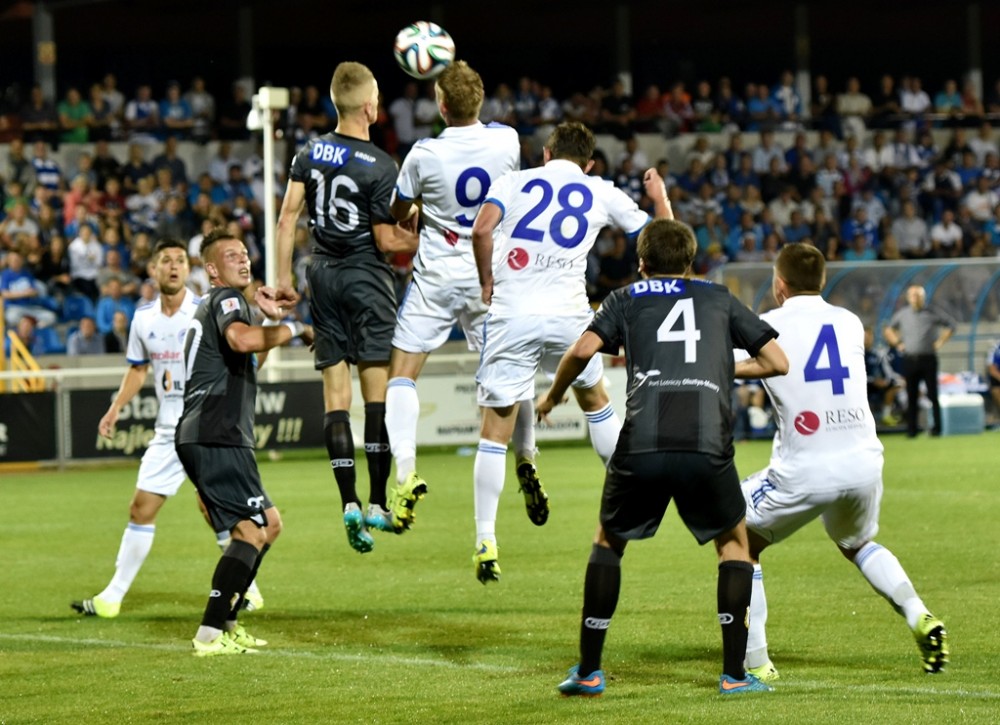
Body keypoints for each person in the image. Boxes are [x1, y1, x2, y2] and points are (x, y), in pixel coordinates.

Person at [536, 218, 788, 696]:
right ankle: (734, 676)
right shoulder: (719, 297)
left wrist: (552, 396)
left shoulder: (625, 298)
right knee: (734, 546)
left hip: (644, 441)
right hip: (705, 441)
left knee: (608, 543)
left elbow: (582, 351)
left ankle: (589, 670)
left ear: (641, 263)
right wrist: (721, 366)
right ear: (691, 262)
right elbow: (778, 362)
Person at [468, 121, 670, 584]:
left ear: (546, 153)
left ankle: (485, 538)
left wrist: (486, 281)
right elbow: (659, 238)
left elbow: (481, 230)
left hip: (513, 313)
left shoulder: (514, 182)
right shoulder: (600, 189)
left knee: (493, 431)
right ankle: (630, 500)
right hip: (570, 316)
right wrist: (659, 198)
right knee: (596, 403)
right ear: (589, 163)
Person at [739, 245, 949, 683]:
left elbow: (740, 364)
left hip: (806, 466)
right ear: (822, 280)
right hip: (863, 462)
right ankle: (918, 613)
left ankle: (756, 661)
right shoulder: (849, 321)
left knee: (738, 539)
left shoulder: (767, 324)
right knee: (857, 543)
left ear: (779, 284)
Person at [384, 61, 549, 529]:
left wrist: (417, 205)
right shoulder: (507, 140)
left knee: (403, 374)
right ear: (481, 101)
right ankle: (527, 456)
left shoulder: (423, 153)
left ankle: (406, 472)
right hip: (489, 274)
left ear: (440, 107)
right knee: (512, 372)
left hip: (437, 275)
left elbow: (396, 209)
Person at [70, 240, 264, 616]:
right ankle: (112, 597)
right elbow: (138, 368)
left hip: (206, 422)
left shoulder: (205, 307)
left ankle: (248, 589)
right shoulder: (143, 318)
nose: (174, 266)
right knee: (141, 508)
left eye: (179, 260)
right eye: (165, 261)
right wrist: (115, 408)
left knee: (215, 510)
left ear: (188, 269)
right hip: (167, 429)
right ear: (153, 270)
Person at [275, 62, 418, 554]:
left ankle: (348, 504)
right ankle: (376, 502)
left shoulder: (309, 152)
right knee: (376, 395)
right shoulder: (380, 164)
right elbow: (386, 240)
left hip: (320, 274)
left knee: (335, 397)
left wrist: (281, 282)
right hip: (365, 276)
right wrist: (428, 238)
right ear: (370, 108)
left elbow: (287, 218)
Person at [176, 228, 311, 656]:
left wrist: (268, 320)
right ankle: (209, 633)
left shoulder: (224, 306)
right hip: (216, 432)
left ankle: (227, 624)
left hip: (215, 433)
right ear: (212, 270)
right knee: (251, 532)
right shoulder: (225, 300)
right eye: (231, 255)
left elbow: (250, 355)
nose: (244, 260)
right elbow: (242, 340)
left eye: (244, 254)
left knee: (267, 524)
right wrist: (295, 328)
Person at [883, 285, 956, 438]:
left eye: (918, 295)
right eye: (913, 295)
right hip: (910, 359)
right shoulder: (902, 314)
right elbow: (888, 329)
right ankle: (912, 430)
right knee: (911, 395)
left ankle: (937, 428)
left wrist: (940, 342)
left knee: (933, 394)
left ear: (923, 297)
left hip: (928, 358)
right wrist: (898, 343)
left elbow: (951, 325)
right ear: (908, 298)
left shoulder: (932, 312)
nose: (915, 298)